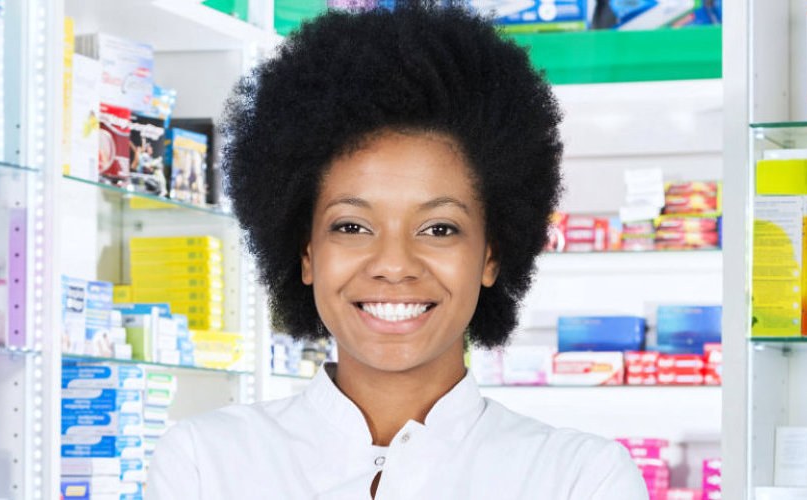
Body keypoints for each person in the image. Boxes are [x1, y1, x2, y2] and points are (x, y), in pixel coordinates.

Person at [147, 2, 649, 498]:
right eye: (351, 225)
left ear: (491, 255)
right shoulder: (204, 463)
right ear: (305, 253)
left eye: (438, 229)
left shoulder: (580, 477)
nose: (393, 264)